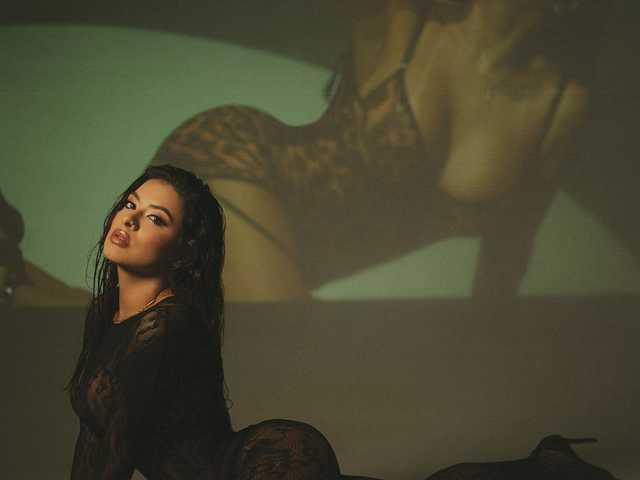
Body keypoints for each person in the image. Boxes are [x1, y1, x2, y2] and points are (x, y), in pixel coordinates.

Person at [151, 0, 620, 301]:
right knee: (294, 350)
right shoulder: (405, 15)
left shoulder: (561, 104)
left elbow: (507, 254)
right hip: (234, 162)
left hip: (300, 262)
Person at [66, 164, 373, 479]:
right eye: (130, 204)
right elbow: (93, 434)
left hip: (266, 467)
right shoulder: (105, 311)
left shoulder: (165, 325)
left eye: (155, 218)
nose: (129, 220)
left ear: (184, 248)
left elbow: (117, 449)